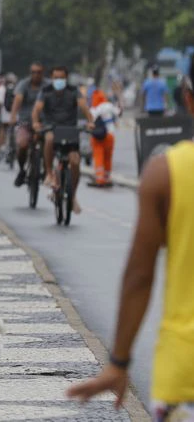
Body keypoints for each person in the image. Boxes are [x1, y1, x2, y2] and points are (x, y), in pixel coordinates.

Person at [67, 67, 194, 417]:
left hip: (185, 369)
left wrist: (118, 362)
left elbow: (140, 274)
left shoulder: (165, 173)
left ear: (187, 99)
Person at [32, 65, 93, 214]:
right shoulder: (46, 91)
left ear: (66, 78)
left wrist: (90, 120)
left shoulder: (73, 91)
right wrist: (35, 122)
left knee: (75, 161)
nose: (58, 80)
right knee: (49, 139)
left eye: (61, 78)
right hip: (51, 128)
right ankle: (49, 173)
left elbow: (84, 106)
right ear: (52, 78)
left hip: (70, 131)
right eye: (56, 77)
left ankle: (72, 195)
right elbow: (37, 109)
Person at [9, 62, 47, 187]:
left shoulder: (47, 85)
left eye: (39, 72)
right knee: (22, 144)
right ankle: (22, 170)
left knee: (50, 143)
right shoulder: (24, 84)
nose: (36, 75)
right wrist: (13, 116)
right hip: (25, 121)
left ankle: (47, 171)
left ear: (43, 73)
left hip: (43, 122)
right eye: (33, 72)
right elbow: (18, 100)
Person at [89, 89, 120, 188]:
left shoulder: (95, 108)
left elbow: (91, 120)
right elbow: (119, 113)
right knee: (108, 157)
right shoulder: (109, 105)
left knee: (99, 156)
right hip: (110, 135)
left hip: (98, 137)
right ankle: (107, 178)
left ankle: (99, 179)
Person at [0, 74, 16, 159]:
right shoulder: (17, 88)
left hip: (4, 115)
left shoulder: (1, 88)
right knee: (15, 132)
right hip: (16, 115)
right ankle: (13, 149)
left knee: (2, 131)